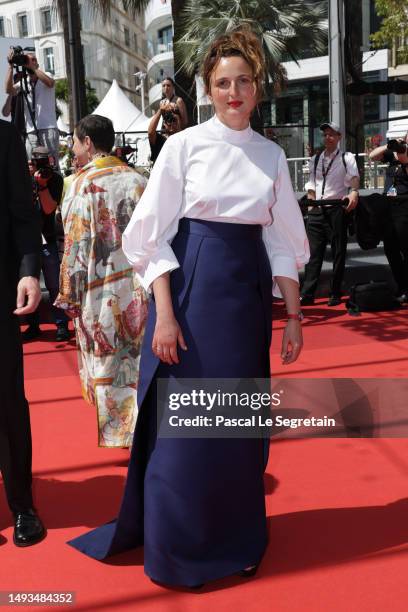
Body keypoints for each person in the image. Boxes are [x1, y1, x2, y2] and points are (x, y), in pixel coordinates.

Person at [67, 29, 309, 587]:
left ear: (258, 88)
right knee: (187, 428)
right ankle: (179, 549)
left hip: (246, 302)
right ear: (207, 88)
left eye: (243, 81)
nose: (234, 92)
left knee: (237, 426)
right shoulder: (183, 146)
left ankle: (237, 538)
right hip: (193, 290)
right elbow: (148, 237)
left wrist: (293, 316)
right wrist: (166, 315)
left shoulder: (272, 155)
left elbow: (282, 241)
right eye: (223, 82)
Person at [55, 115, 148, 448]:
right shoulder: (138, 180)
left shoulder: (81, 184)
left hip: (100, 284)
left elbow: (76, 243)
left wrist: (69, 294)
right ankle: (144, 426)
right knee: (136, 358)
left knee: (108, 357)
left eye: (76, 142)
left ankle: (123, 433)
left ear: (88, 143)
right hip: (139, 284)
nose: (74, 148)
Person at [0, 119, 46, 546]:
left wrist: (29, 272)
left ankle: (22, 505)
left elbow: (22, 211)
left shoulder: (3, 135)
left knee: (8, 399)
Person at [301, 122, 360, 306]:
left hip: (336, 208)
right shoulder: (315, 159)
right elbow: (311, 184)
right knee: (313, 254)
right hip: (317, 209)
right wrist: (311, 209)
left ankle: (335, 292)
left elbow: (354, 179)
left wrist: (354, 192)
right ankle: (308, 294)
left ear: (339, 137)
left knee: (338, 252)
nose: (328, 137)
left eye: (332, 134)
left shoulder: (347, 157)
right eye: (325, 134)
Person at [22, 146, 70, 342]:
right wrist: (28, 178)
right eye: (36, 161)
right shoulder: (24, 177)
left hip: (47, 238)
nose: (40, 165)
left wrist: (42, 185)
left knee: (53, 285)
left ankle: (61, 325)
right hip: (26, 240)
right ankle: (33, 325)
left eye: (43, 161)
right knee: (28, 284)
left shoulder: (55, 179)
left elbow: (49, 209)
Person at [369, 133, 408, 303]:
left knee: (406, 249)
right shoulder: (392, 155)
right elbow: (372, 156)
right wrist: (390, 145)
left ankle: (406, 288)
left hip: (404, 206)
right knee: (390, 249)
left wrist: (403, 154)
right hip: (388, 206)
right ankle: (401, 286)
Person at [5, 50, 59, 166]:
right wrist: (10, 67)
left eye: (33, 59)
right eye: (28, 60)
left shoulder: (47, 75)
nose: (30, 62)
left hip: (47, 127)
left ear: (37, 63)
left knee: (52, 164)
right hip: (31, 130)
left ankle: (55, 183)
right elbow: (9, 90)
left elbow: (50, 83)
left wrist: (32, 68)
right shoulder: (24, 82)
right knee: (31, 165)